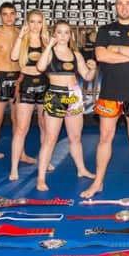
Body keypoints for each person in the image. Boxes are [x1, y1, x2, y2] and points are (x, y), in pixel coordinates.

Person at [80, 0, 129, 199]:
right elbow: (101, 55)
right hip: (110, 94)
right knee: (105, 138)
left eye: (128, 3)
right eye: (120, 4)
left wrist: (116, 50)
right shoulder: (105, 30)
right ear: (115, 7)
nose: (124, 7)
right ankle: (98, 182)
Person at [36, 21, 97, 191]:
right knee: (50, 138)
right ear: (54, 34)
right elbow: (40, 67)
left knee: (76, 137)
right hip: (56, 94)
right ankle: (41, 177)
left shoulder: (76, 54)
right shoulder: (50, 52)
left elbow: (87, 76)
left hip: (74, 96)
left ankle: (81, 169)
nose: (63, 36)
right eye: (59, 32)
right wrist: (48, 46)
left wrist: (92, 68)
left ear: (71, 35)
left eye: (66, 32)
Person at [0, 2, 34, 173]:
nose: (9, 17)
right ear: (0, 15)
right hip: (0, 77)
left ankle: (22, 154)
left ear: (16, 15)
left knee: (19, 121)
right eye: (5, 14)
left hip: (19, 78)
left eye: (12, 13)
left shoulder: (23, 34)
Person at [8, 10, 50, 181]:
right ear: (27, 23)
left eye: (38, 22)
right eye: (32, 21)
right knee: (21, 128)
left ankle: (45, 161)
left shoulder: (46, 39)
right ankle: (14, 168)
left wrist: (49, 46)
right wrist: (20, 36)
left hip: (44, 84)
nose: (35, 25)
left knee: (44, 126)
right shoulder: (22, 39)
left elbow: (51, 63)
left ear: (43, 23)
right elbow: (14, 56)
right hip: (26, 84)